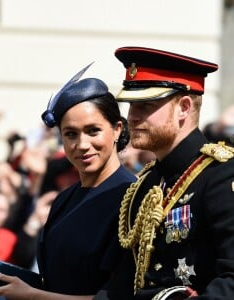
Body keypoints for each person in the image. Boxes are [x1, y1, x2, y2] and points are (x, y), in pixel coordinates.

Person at [0, 64, 136, 300]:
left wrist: (33, 296)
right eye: (71, 134)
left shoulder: (131, 198)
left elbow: (120, 297)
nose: (82, 144)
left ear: (117, 130)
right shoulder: (64, 199)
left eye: (93, 131)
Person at [93, 46, 234, 300]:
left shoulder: (222, 176)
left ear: (184, 107)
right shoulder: (145, 185)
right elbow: (122, 289)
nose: (132, 117)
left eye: (146, 105)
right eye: (131, 106)